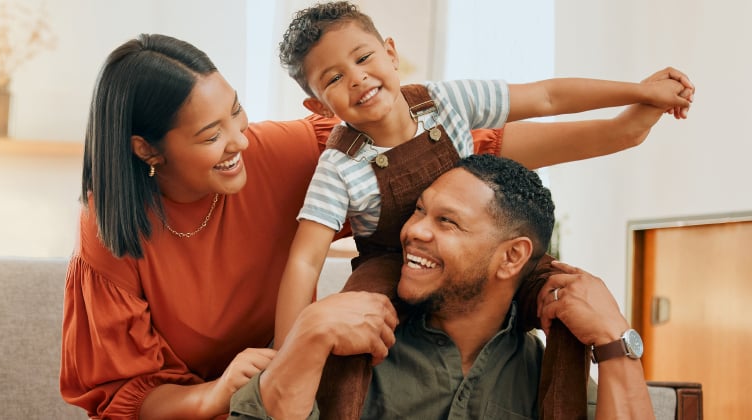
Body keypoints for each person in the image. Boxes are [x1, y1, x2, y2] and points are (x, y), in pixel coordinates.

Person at [58, 33, 689, 419]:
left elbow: (456, 154)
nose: (239, 141)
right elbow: (121, 396)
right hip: (245, 399)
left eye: (238, 111)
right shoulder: (111, 234)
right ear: (147, 150)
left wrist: (623, 128)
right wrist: (225, 389)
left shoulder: (296, 153)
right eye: (209, 135)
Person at [272, 0, 693, 349]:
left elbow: (546, 96)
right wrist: (287, 349)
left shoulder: (446, 101)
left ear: (391, 54)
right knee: (347, 326)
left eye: (363, 58)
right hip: (394, 264)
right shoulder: (340, 164)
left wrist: (640, 91)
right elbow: (305, 261)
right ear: (321, 108)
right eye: (334, 79)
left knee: (568, 297)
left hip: (478, 246)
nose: (358, 78)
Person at [229, 153, 654, 419]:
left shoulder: (549, 376)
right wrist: (309, 330)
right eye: (418, 211)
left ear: (511, 257)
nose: (415, 231)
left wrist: (615, 340)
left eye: (446, 222)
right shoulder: (345, 343)